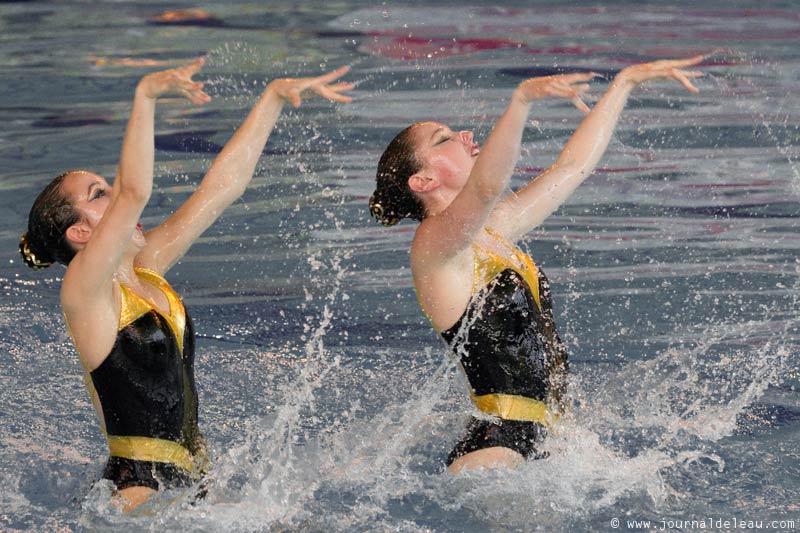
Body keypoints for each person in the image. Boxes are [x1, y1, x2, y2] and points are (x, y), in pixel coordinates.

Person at [19, 58, 353, 511]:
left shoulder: (146, 268)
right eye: (100, 194)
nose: (116, 197)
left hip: (192, 478)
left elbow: (222, 187)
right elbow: (135, 191)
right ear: (80, 234)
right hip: (136, 491)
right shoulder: (83, 293)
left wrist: (273, 96)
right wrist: (146, 94)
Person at [369, 57, 703, 473]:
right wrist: (522, 100)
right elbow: (488, 186)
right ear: (423, 182)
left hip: (549, 438)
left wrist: (624, 83)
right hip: (495, 452)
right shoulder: (434, 246)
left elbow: (572, 167)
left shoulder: (492, 231)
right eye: (445, 139)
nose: (465, 135)